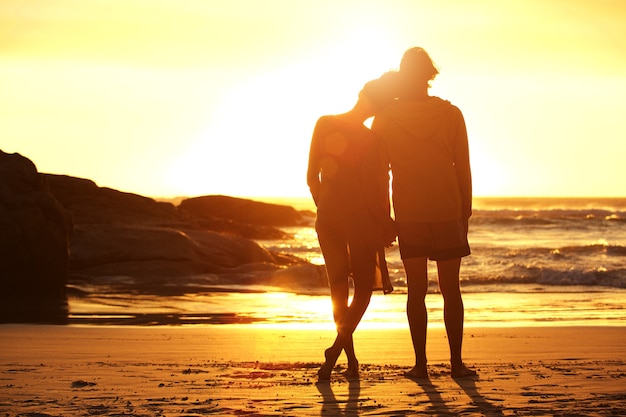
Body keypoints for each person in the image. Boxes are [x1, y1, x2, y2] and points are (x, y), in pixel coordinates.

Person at [367, 47, 476, 379]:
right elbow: (463, 169)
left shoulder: (384, 119)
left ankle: (421, 365)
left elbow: (377, 174)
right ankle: (456, 364)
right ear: (430, 75)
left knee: (416, 290)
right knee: (450, 289)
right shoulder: (450, 114)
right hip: (446, 211)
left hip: (409, 214)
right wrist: (465, 213)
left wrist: (384, 217)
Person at [307, 87, 396, 381]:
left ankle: (350, 360)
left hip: (328, 220)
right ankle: (336, 351)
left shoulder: (324, 123)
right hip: (359, 222)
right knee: (364, 290)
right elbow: (376, 189)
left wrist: (327, 208)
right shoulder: (372, 139)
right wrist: (385, 222)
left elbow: (311, 178)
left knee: (338, 291)